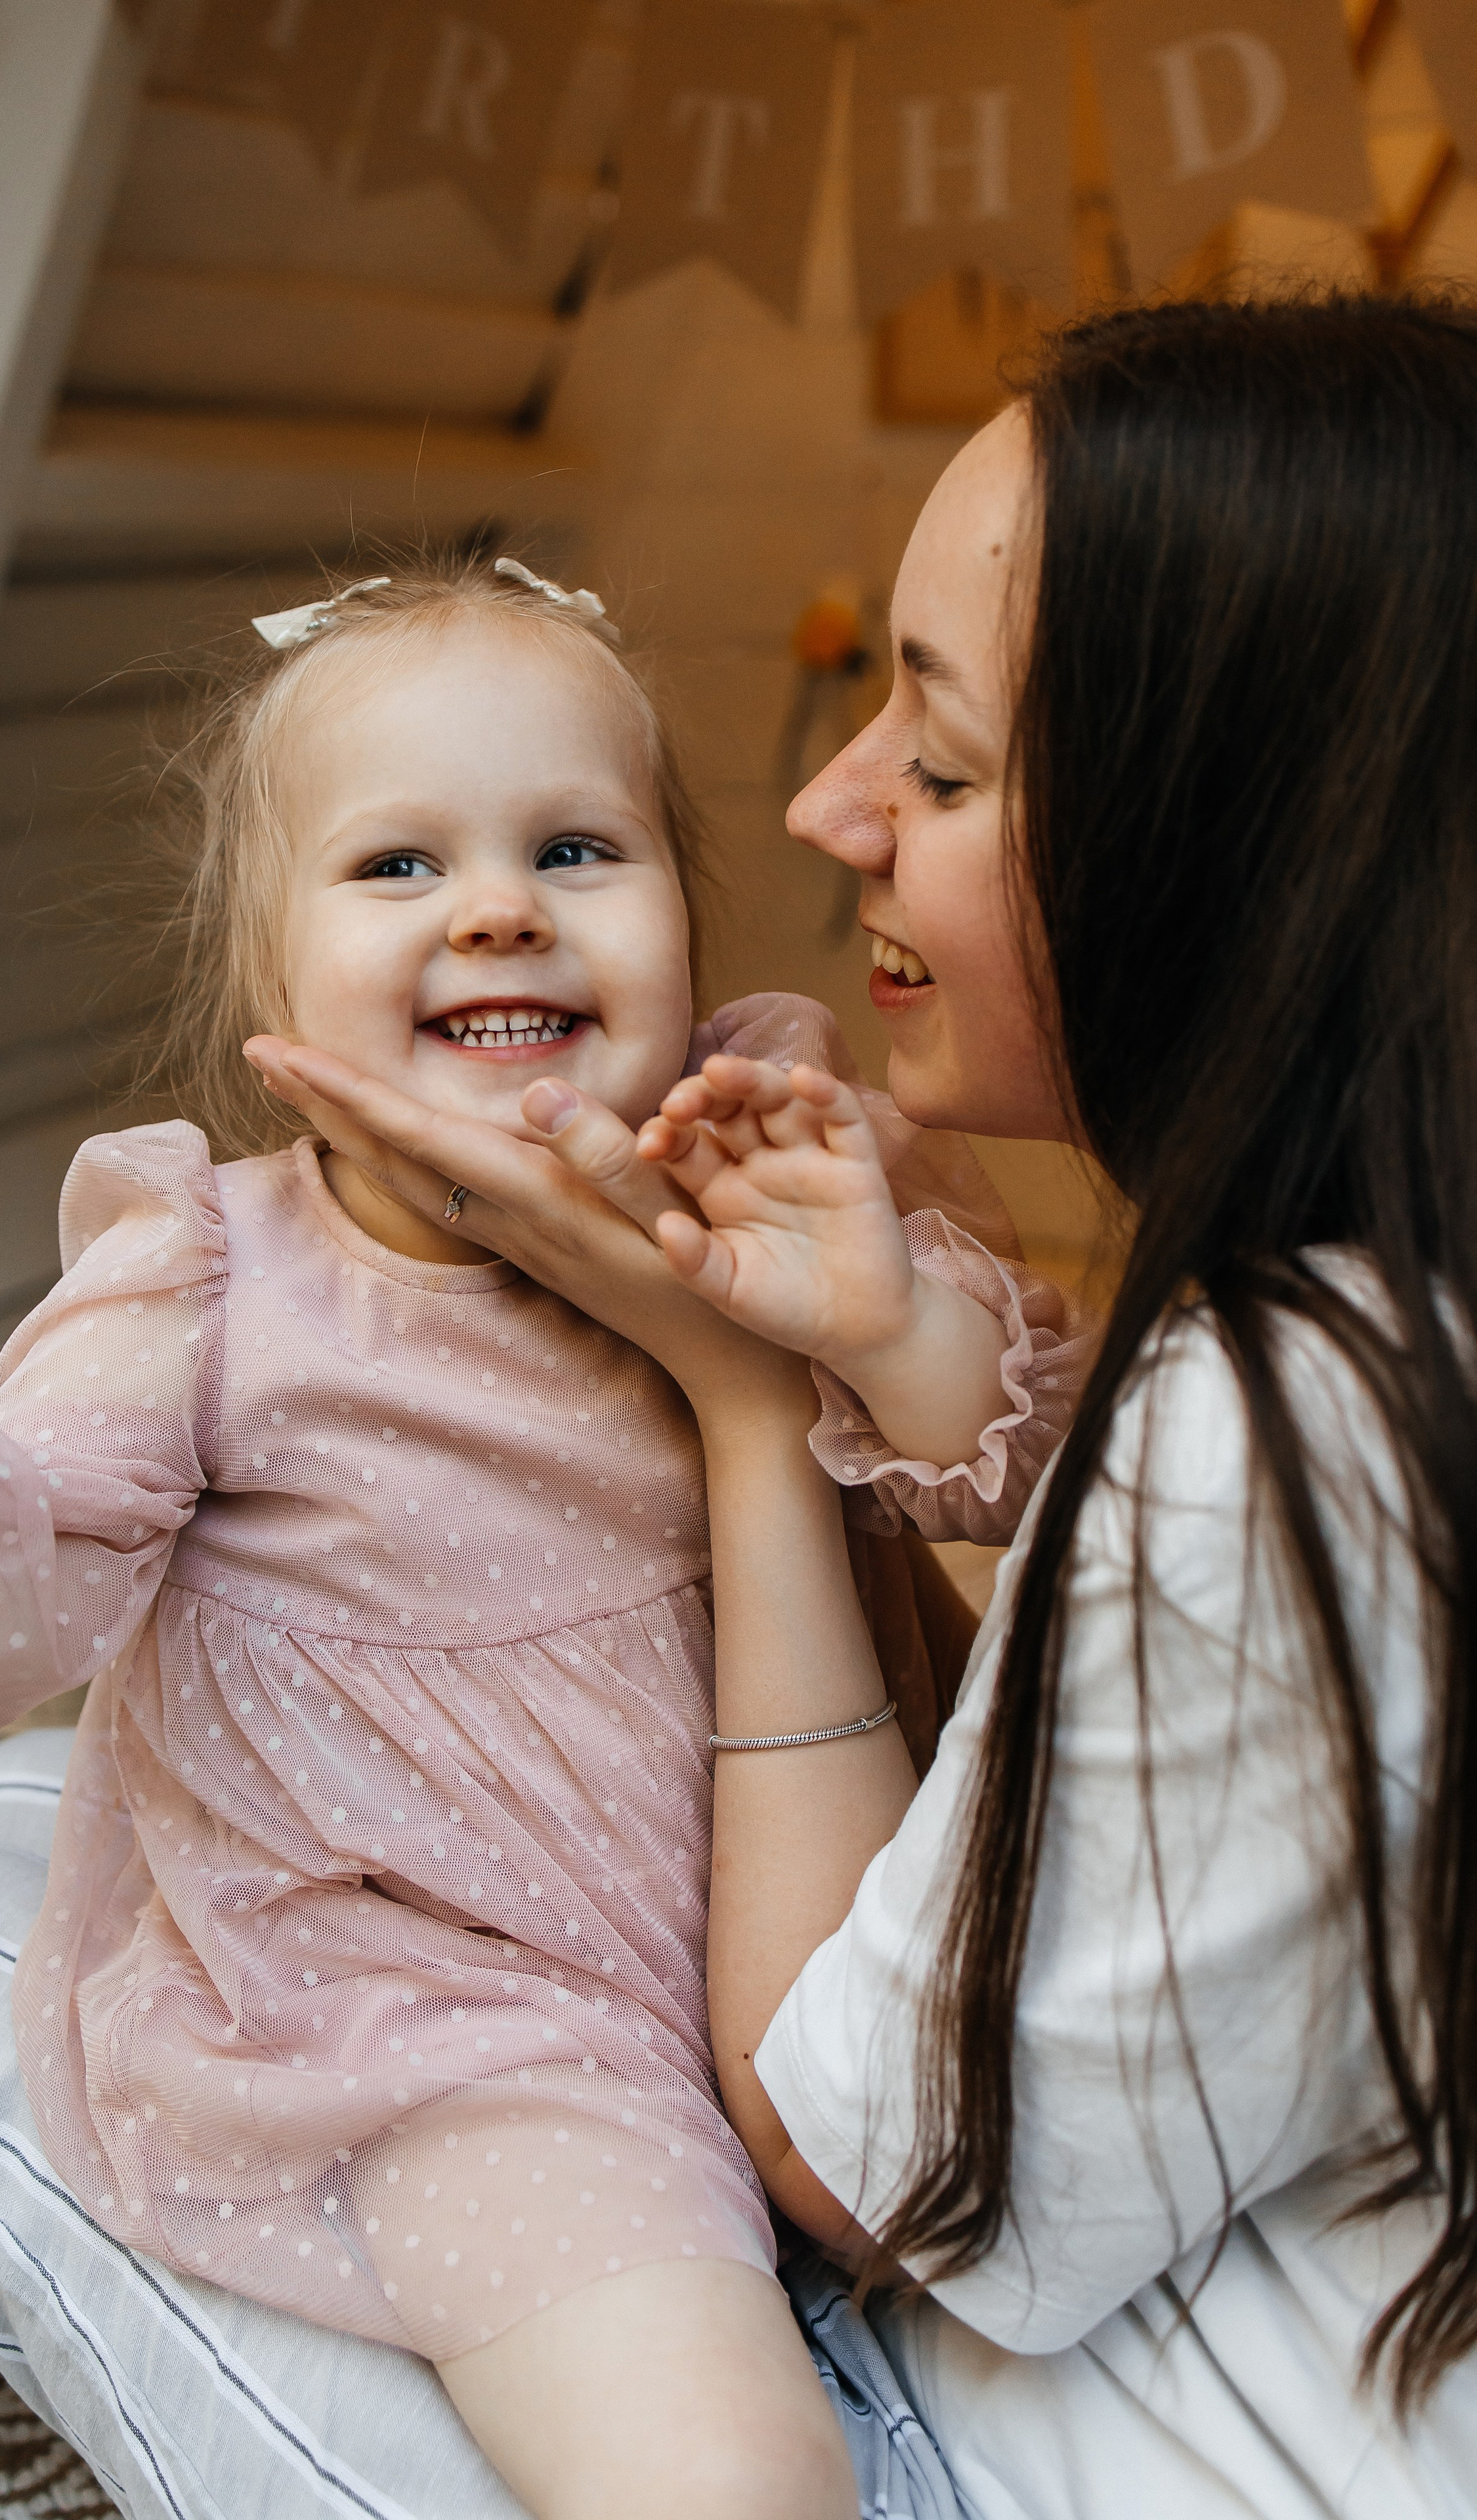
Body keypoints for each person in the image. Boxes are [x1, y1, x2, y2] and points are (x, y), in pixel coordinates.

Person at [255, 294, 1477, 2517]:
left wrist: (747, 1410)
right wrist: (895, 1363)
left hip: (1038, 2434)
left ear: (1234, 842)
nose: (826, 807)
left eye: (940, 757)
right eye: (401, 865)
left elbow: (862, 2172)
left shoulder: (1289, 1438)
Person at [0, 555, 1088, 2519]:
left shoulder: (769, 1145)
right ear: (271, 989)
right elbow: (17, 1592)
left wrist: (883, 1310)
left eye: (578, 847)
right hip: (458, 2031)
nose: (500, 906)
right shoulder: (213, 1277)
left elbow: (1040, 1473)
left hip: (834, 1933)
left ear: (682, 911)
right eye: (399, 868)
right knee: (731, 2477)